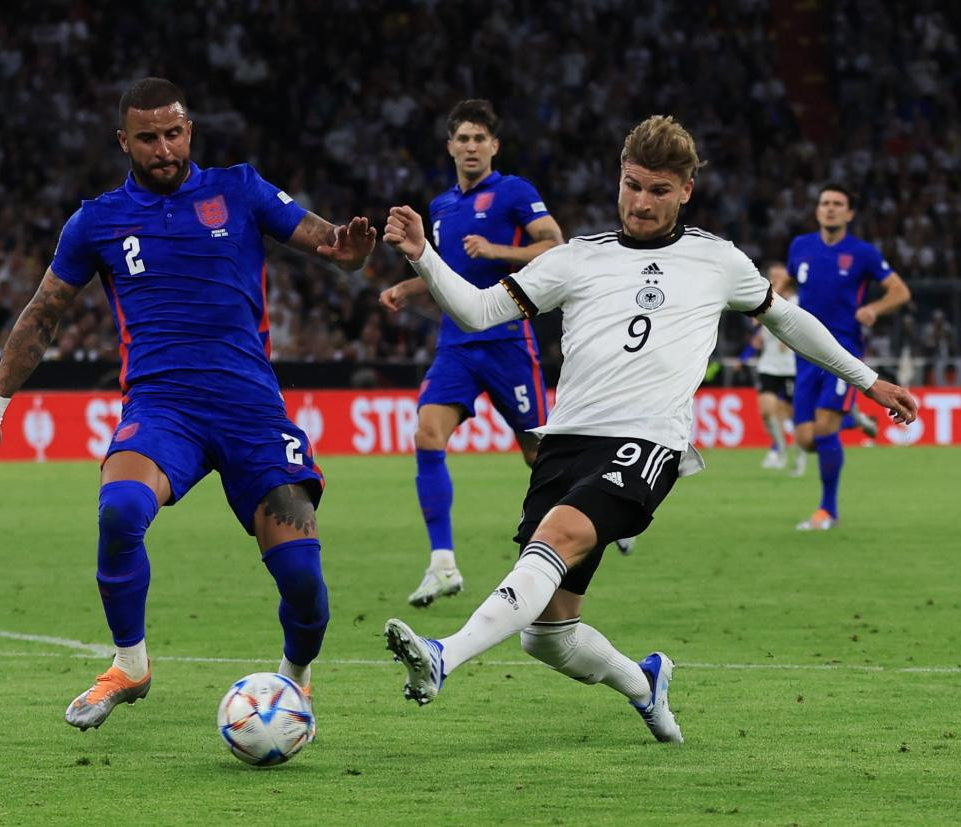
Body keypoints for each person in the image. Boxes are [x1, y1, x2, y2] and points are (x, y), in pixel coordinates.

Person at [380, 116, 917, 742]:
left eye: (659, 190)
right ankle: (645, 682)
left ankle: (444, 655)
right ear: (619, 179)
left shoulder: (717, 260)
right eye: (633, 185)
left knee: (559, 534)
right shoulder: (576, 260)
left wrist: (867, 380)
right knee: (547, 635)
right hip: (566, 443)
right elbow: (476, 312)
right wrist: (423, 255)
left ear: (686, 190)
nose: (641, 201)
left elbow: (788, 321)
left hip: (650, 441)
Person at [0, 78, 376, 732]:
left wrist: (349, 252)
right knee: (121, 508)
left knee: (302, 576)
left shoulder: (237, 189)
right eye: (149, 137)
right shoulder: (96, 221)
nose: (165, 147)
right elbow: (43, 314)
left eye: (174, 133)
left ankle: (295, 677)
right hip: (163, 411)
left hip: (251, 411)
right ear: (124, 140)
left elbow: (327, 241)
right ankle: (130, 663)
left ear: (190, 130)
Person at [379, 100, 565, 607]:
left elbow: (556, 245)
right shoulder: (440, 207)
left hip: (508, 339)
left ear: (494, 146)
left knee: (540, 455)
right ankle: (443, 564)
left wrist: (500, 251)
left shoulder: (515, 192)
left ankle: (595, 518)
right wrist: (406, 288)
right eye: (462, 139)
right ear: (450, 147)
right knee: (426, 433)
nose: (471, 147)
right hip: (457, 345)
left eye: (480, 138)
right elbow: (448, 272)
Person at [787, 185, 911, 530]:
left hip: (843, 352)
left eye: (837, 204)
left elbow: (900, 291)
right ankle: (853, 419)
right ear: (817, 210)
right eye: (825, 203)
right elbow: (788, 284)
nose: (830, 209)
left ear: (849, 214)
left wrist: (874, 308)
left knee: (825, 430)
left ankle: (828, 510)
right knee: (806, 440)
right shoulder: (800, 247)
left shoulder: (863, 253)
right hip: (803, 352)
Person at [751, 262, 804, 475]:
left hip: (791, 366)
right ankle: (780, 451)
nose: (774, 280)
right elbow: (755, 321)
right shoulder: (764, 301)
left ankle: (799, 458)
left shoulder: (798, 301)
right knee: (766, 411)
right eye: (771, 276)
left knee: (793, 416)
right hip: (769, 365)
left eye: (779, 276)